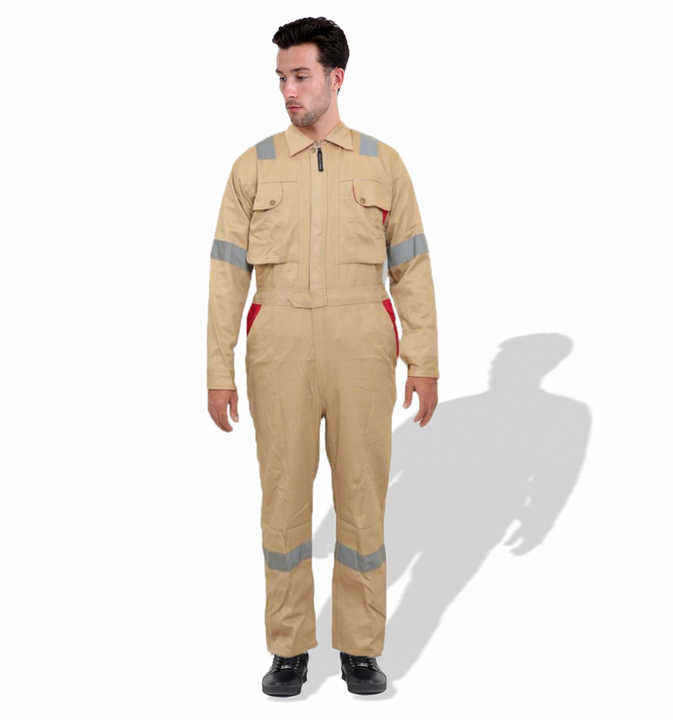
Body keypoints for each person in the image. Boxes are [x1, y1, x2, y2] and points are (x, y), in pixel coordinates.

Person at [206, 16, 439, 696]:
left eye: (301, 76)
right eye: (282, 78)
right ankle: (289, 649)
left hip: (363, 344)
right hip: (277, 344)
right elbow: (226, 275)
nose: (289, 90)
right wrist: (218, 368)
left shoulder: (382, 163)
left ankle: (361, 647)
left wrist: (423, 359)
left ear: (337, 78)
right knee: (283, 498)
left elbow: (412, 269)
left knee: (362, 498)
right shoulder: (253, 166)